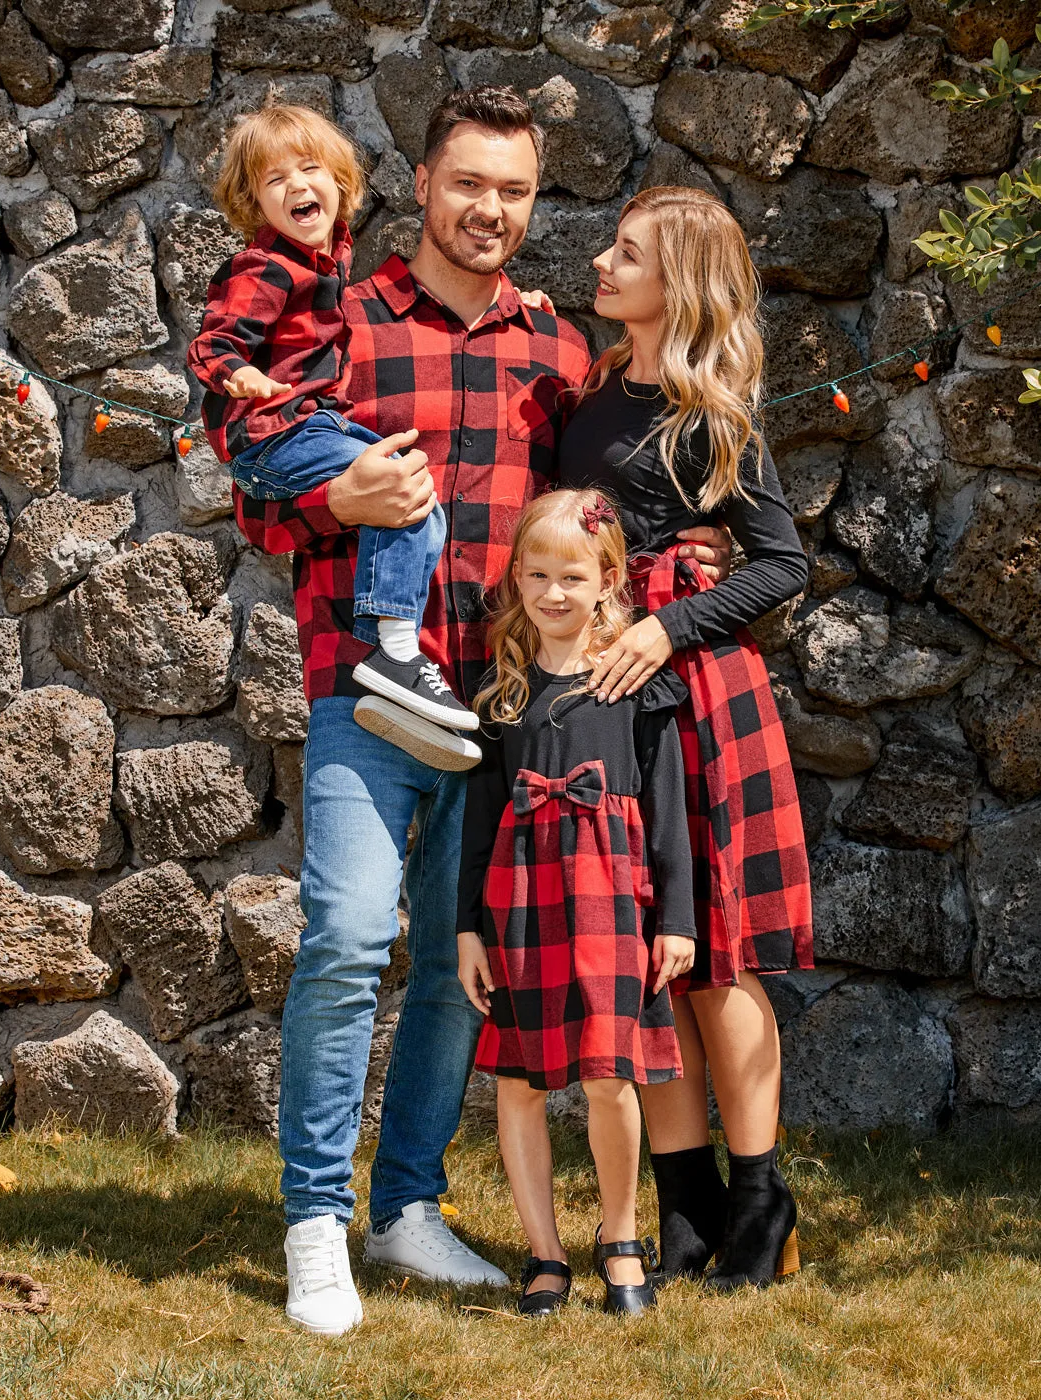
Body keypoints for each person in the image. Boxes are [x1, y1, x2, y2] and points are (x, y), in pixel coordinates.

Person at [230, 89, 734, 1335]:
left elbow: (603, 521)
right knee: (348, 935)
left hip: (508, 715)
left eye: (513, 191)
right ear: (420, 182)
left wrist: (683, 573)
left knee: (469, 976)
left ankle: (405, 1206)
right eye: (469, 185)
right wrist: (331, 501)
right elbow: (256, 487)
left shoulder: (559, 354)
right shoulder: (338, 320)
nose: (490, 211)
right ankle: (312, 1218)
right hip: (365, 688)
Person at [560, 185, 815, 1290]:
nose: (604, 265)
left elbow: (779, 563)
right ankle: (685, 1205)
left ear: (680, 284)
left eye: (628, 255)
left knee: (713, 957)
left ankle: (759, 1201)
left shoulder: (710, 411)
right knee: (640, 961)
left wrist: (666, 623)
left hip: (696, 700)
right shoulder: (589, 389)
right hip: (605, 699)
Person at [456, 489, 698, 1317]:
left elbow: (668, 807)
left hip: (610, 895)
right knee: (520, 1083)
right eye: (536, 576)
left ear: (607, 580)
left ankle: (622, 1239)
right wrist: (465, 929)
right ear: (516, 579)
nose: (553, 594)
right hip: (519, 899)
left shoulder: (633, 680)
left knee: (608, 1076)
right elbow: (479, 820)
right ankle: (544, 1254)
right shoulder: (502, 688)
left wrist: (678, 920)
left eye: (572, 576)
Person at [188, 104, 479, 752]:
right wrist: (242, 375)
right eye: (274, 179)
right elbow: (211, 343)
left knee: (411, 496)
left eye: (310, 168)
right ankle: (393, 656)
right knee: (409, 489)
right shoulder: (262, 267)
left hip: (304, 427)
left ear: (341, 182)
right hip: (274, 434)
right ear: (252, 201)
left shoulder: (331, 264)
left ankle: (394, 664)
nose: (297, 185)